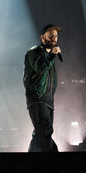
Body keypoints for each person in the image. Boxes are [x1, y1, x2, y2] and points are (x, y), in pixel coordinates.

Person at [23, 24, 62, 152]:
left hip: (48, 99)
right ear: (42, 37)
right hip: (38, 98)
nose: (54, 38)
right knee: (45, 131)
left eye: (56, 36)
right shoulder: (34, 52)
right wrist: (51, 55)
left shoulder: (49, 55)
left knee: (41, 132)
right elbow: (39, 67)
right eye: (51, 35)